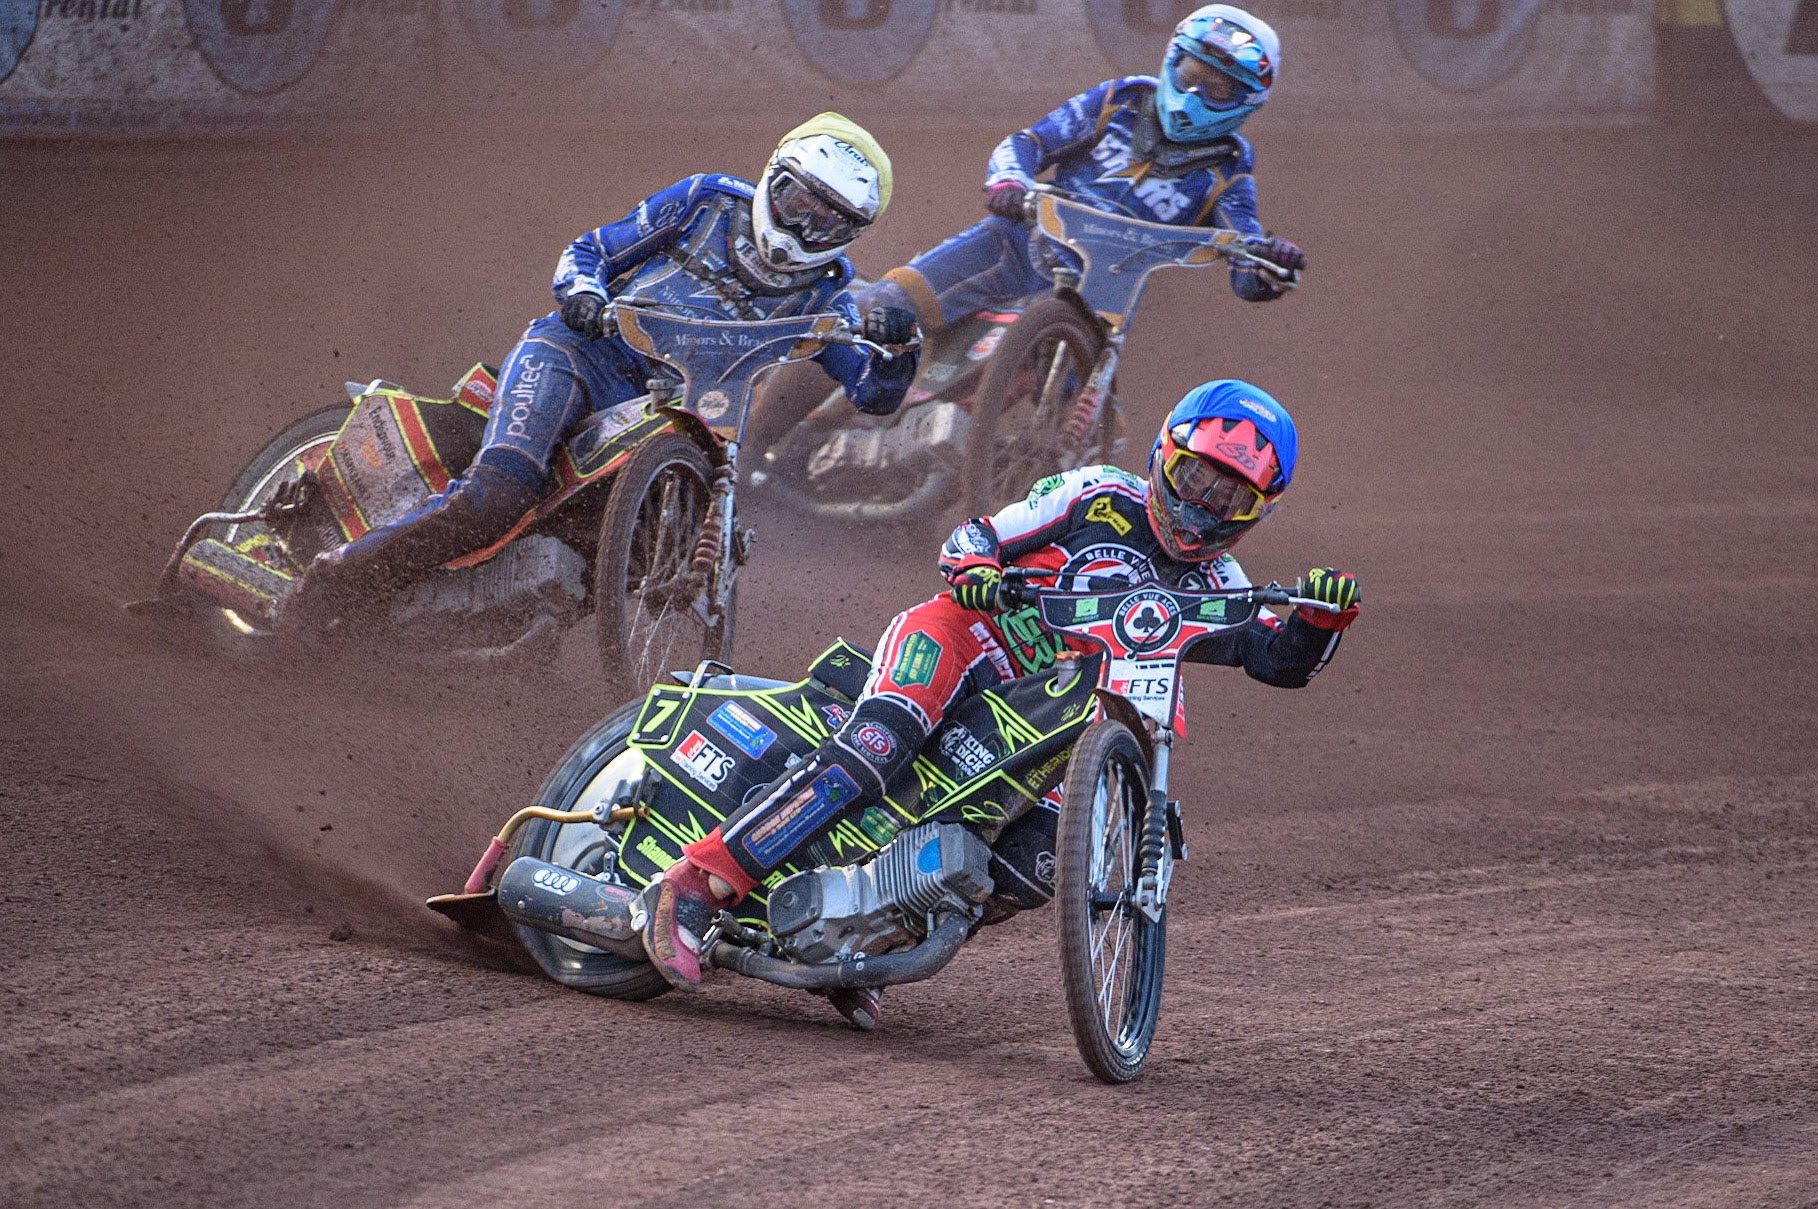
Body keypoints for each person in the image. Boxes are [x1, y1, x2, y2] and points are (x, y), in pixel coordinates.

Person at [638, 379, 1362, 1025]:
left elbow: (1278, 658)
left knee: (1033, 864)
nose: (1203, 507)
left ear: (1257, 510)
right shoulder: (1095, 497)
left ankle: (858, 943)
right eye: (1195, 478)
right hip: (964, 644)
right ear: (1161, 456)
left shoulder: (1223, 586)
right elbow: (974, 536)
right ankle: (697, 881)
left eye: (1230, 496)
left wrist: (1319, 619)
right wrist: (979, 569)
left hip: (1053, 727)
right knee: (877, 749)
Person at [285, 113, 920, 627]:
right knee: (499, 495)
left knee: (630, 557)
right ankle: (330, 586)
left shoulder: (832, 296)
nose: (803, 225)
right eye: (795, 200)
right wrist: (584, 293)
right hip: (580, 356)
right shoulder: (705, 201)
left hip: (681, 413)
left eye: (828, 219)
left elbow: (873, 395)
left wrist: (900, 347)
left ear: (853, 232)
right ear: (770, 179)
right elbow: (589, 250)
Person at [858, 4, 1305, 333]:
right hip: (1019, 242)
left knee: (1076, 425)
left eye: (1217, 90)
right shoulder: (1122, 99)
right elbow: (1029, 142)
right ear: (1172, 60)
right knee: (882, 306)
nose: (1192, 96)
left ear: (1245, 103)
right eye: (1190, 76)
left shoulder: (1230, 172)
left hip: (1102, 297)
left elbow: (1244, 256)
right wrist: (1011, 180)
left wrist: (1270, 264)